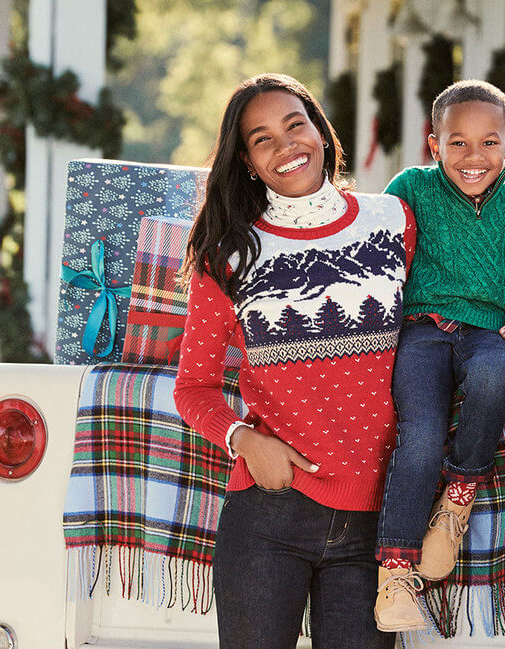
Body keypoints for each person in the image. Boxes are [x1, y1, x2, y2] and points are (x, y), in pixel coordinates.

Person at [173, 73, 414, 649]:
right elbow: (194, 386)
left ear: (321, 132)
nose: (286, 146)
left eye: (294, 125)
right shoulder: (229, 253)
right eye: (262, 139)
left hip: (377, 521)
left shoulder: (393, 221)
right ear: (247, 162)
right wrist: (244, 441)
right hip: (269, 515)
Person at [373, 79, 505, 631]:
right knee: (420, 435)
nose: (473, 156)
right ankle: (394, 575)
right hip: (422, 330)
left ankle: (458, 498)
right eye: (457, 142)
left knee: (492, 375)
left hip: (491, 328)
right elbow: (378, 258)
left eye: (489, 142)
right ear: (434, 144)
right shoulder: (410, 187)